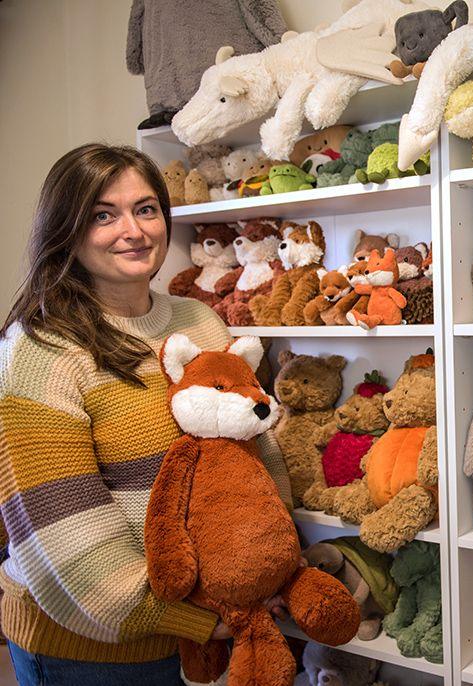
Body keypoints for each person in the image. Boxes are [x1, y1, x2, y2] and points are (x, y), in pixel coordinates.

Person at [0, 144, 291, 685]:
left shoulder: (199, 320)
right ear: (65, 230)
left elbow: (254, 451)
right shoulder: (41, 349)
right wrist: (197, 620)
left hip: (212, 620)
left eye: (147, 208)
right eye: (102, 215)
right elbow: (61, 542)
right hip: (90, 651)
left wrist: (268, 562)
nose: (132, 230)